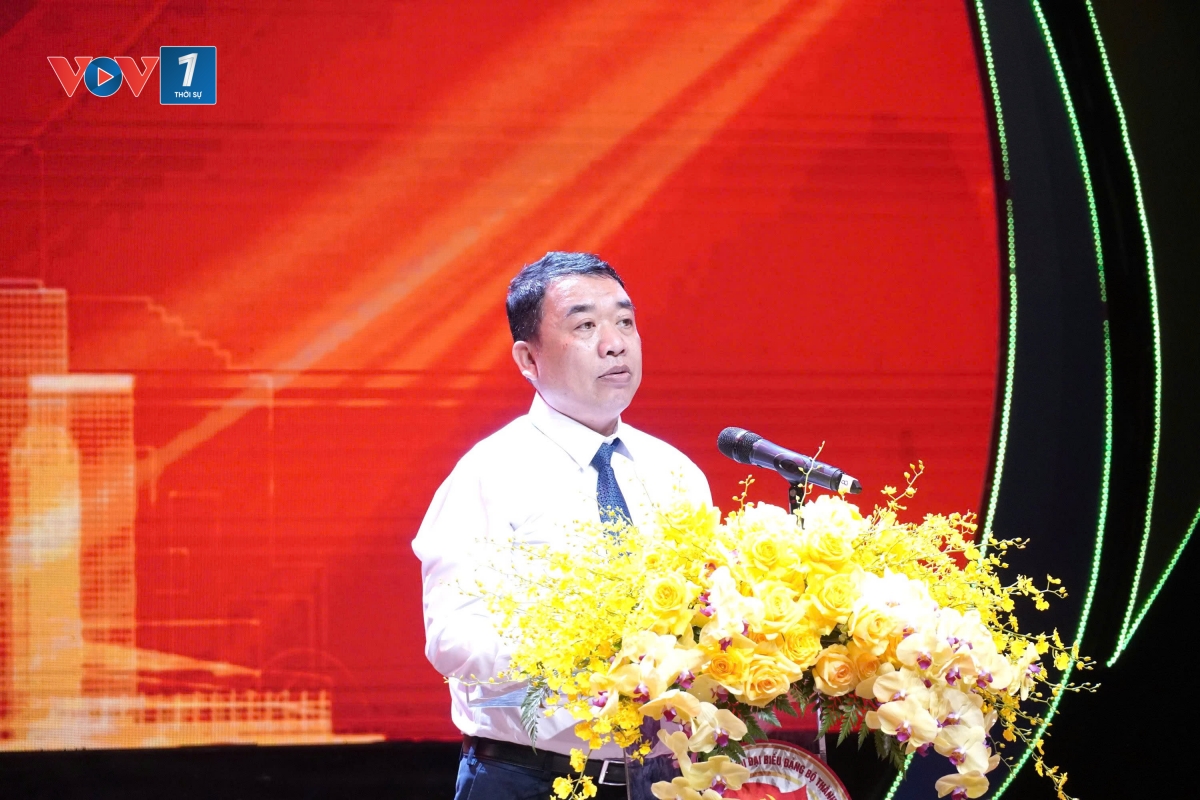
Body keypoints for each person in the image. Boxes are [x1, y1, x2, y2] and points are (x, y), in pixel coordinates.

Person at [412, 252, 712, 800]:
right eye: (585, 326)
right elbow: (452, 639)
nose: (615, 343)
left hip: (663, 780)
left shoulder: (676, 473)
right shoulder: (489, 472)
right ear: (528, 358)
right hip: (527, 778)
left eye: (625, 321)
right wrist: (581, 655)